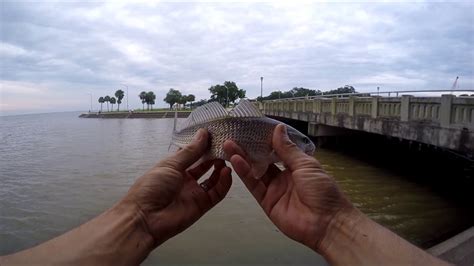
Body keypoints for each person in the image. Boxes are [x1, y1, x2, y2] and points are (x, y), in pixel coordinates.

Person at [0, 125, 448, 265]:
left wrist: (135, 220)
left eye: (298, 146)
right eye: (298, 145)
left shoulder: (277, 150)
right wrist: (338, 227)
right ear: (286, 143)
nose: (301, 149)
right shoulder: (267, 139)